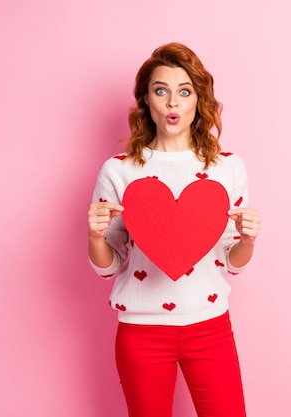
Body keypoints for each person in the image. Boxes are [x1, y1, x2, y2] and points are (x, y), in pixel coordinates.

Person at [87, 42, 260, 417]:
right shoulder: (119, 170)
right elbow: (109, 266)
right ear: (145, 99)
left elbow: (233, 262)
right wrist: (95, 236)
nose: (172, 102)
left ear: (199, 99)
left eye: (184, 91)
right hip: (141, 332)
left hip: (211, 328)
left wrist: (247, 240)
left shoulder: (228, 168)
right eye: (160, 90)